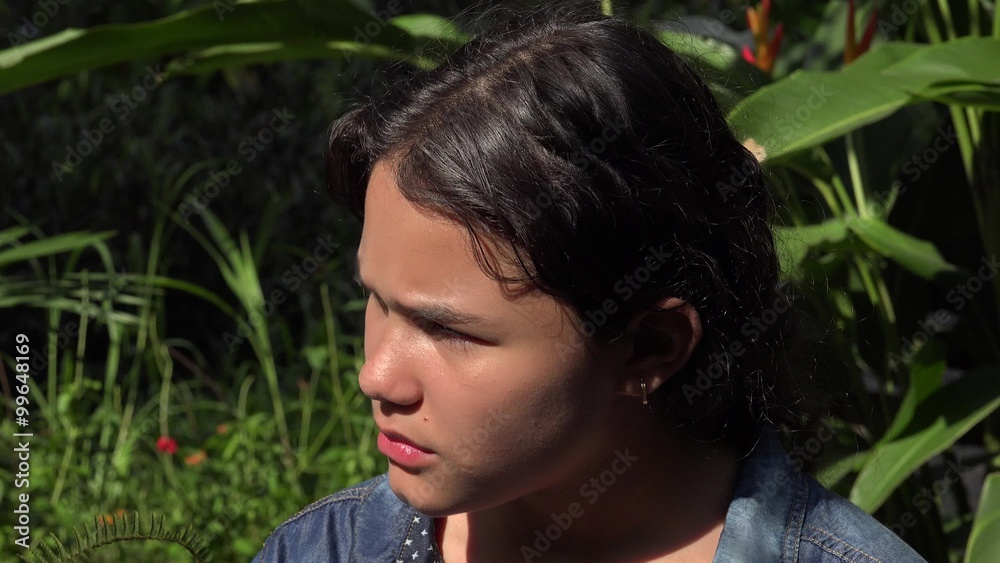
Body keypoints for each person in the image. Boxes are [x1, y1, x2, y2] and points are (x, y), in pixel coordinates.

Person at [253, 7, 925, 562]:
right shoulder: (320, 549)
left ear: (650, 346)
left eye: (447, 329)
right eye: (376, 300)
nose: (376, 375)